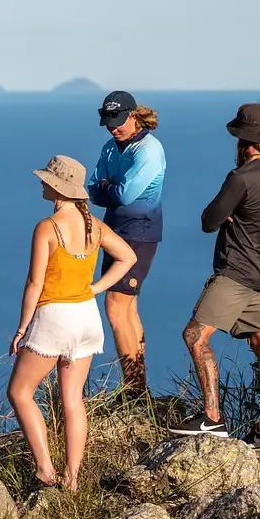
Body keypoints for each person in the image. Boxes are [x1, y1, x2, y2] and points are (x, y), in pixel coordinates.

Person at [8, 155, 137, 491]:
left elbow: (34, 283)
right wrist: (94, 289)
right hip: (86, 316)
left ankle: (45, 470)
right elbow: (129, 257)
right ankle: (73, 479)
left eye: (46, 178)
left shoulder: (47, 227)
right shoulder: (94, 224)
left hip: (55, 317)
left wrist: (22, 329)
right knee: (73, 399)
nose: (40, 182)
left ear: (57, 186)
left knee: (20, 392)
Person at [168, 104, 260, 450]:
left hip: (235, 272)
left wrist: (224, 214)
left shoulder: (241, 178)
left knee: (195, 334)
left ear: (241, 140)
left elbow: (208, 220)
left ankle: (212, 417)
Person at [87, 90, 166, 396]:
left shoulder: (148, 150)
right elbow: (93, 189)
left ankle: (134, 389)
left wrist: (109, 187)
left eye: (118, 121)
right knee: (127, 306)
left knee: (115, 306)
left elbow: (123, 195)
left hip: (140, 231)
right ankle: (138, 385)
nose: (113, 128)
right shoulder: (111, 147)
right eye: (109, 122)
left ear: (134, 116)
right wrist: (108, 187)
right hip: (116, 231)